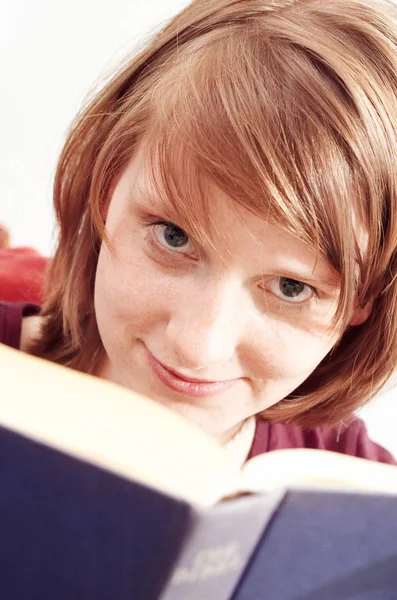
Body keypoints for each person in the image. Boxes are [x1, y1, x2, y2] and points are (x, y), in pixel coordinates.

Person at [2, 0, 397, 467]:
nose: (198, 346)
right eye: (173, 237)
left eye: (292, 288)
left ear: (362, 300)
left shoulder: (348, 476)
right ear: (106, 188)